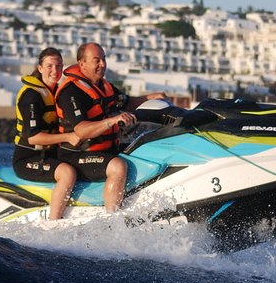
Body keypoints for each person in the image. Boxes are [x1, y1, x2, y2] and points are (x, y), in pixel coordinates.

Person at [55, 42, 166, 212]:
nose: (103, 64)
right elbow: (81, 130)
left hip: (105, 149)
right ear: (81, 63)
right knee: (117, 166)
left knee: (147, 147)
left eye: (104, 59)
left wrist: (152, 97)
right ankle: (112, 221)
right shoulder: (71, 92)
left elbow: (127, 103)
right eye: (96, 60)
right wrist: (112, 121)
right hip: (76, 155)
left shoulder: (103, 86)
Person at [12, 47, 81, 219]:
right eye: (50, 66)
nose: (55, 71)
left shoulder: (58, 92)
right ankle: (54, 224)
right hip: (28, 158)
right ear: (40, 68)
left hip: (51, 154)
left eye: (59, 66)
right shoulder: (32, 96)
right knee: (67, 173)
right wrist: (68, 137)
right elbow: (33, 137)